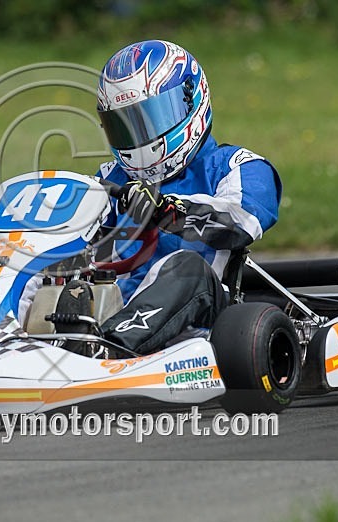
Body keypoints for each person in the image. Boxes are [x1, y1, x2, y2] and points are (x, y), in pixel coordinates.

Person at [87, 39, 282, 355]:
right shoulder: (111, 179)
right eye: (126, 124)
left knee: (186, 266)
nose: (139, 137)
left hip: (200, 323)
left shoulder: (236, 167)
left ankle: (108, 350)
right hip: (111, 305)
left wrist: (165, 209)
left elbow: (240, 221)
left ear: (191, 102)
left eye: (150, 119)